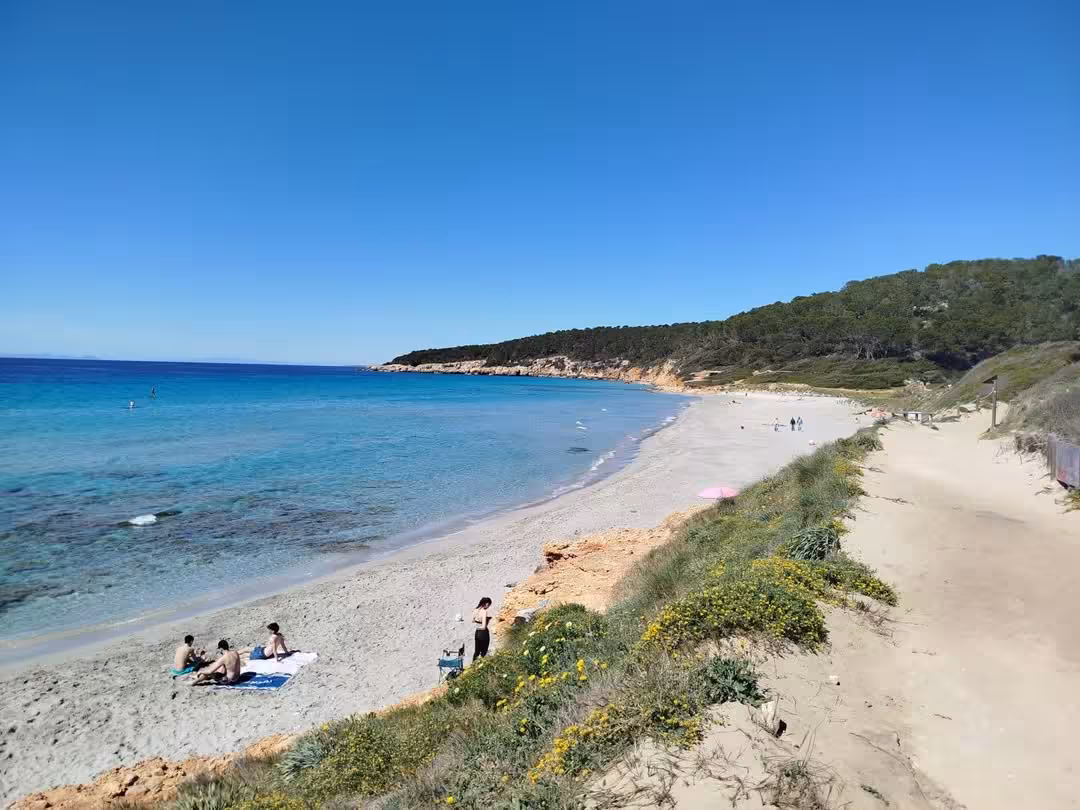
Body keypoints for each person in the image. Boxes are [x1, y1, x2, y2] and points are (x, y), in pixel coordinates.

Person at [472, 597, 493, 662]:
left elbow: (473, 621)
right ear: (486, 603)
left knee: (476, 652)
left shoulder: (475, 610)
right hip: (483, 634)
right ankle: (481, 667)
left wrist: (477, 626)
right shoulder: (484, 611)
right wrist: (487, 620)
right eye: (489, 605)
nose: (488, 606)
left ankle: (473, 667)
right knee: (483, 652)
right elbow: (483, 626)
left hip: (477, 633)